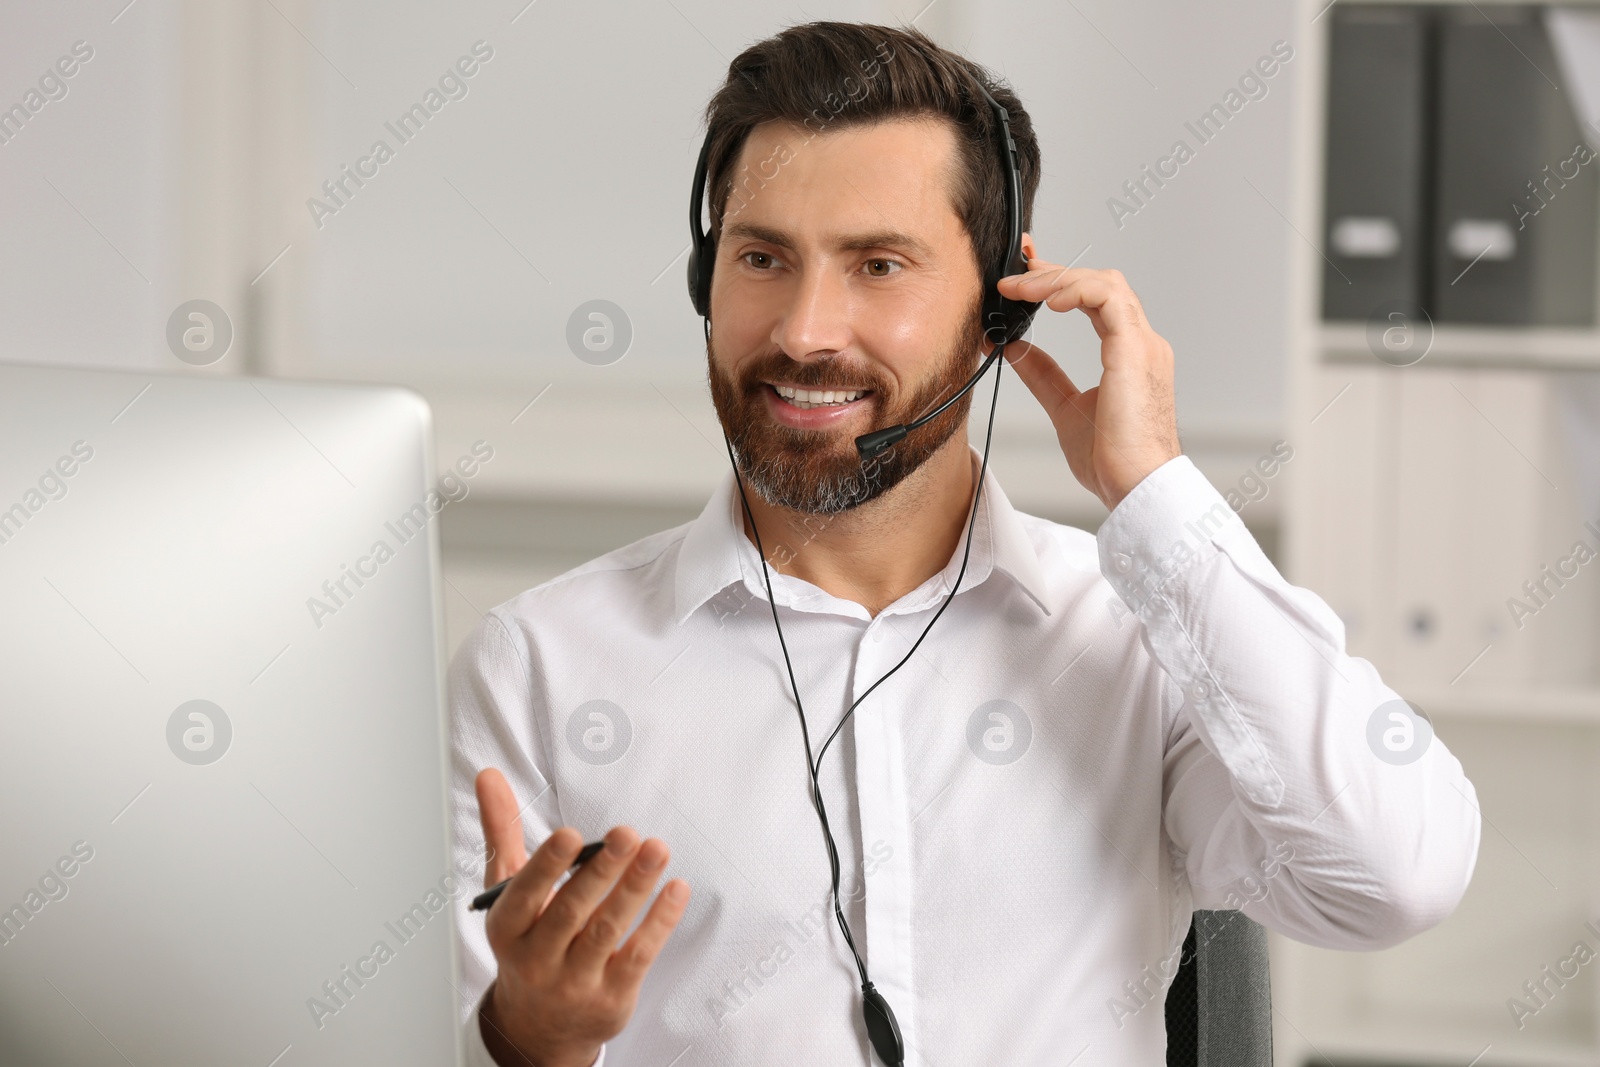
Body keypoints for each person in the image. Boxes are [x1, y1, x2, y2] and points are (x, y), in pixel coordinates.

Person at [448, 21, 1480, 1067]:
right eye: (762, 257)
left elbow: (1395, 874)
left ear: (1000, 306)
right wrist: (532, 1036)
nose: (805, 330)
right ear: (704, 280)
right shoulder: (542, 662)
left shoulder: (1130, 637)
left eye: (878, 264)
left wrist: (1155, 493)